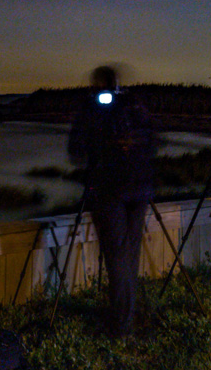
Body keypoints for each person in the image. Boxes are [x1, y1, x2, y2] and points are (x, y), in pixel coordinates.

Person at [67, 65, 159, 338]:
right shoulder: (134, 105)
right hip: (140, 188)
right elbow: (153, 143)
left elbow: (76, 151)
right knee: (128, 255)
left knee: (119, 257)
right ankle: (126, 314)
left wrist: (100, 139)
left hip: (110, 190)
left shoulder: (94, 109)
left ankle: (122, 325)